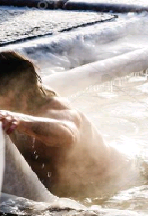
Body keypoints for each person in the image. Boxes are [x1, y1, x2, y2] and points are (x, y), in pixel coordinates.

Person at [0, 51, 140, 197]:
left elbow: (67, 133)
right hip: (66, 191)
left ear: (18, 92)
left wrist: (20, 121)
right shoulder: (8, 113)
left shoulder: (54, 109)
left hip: (115, 183)